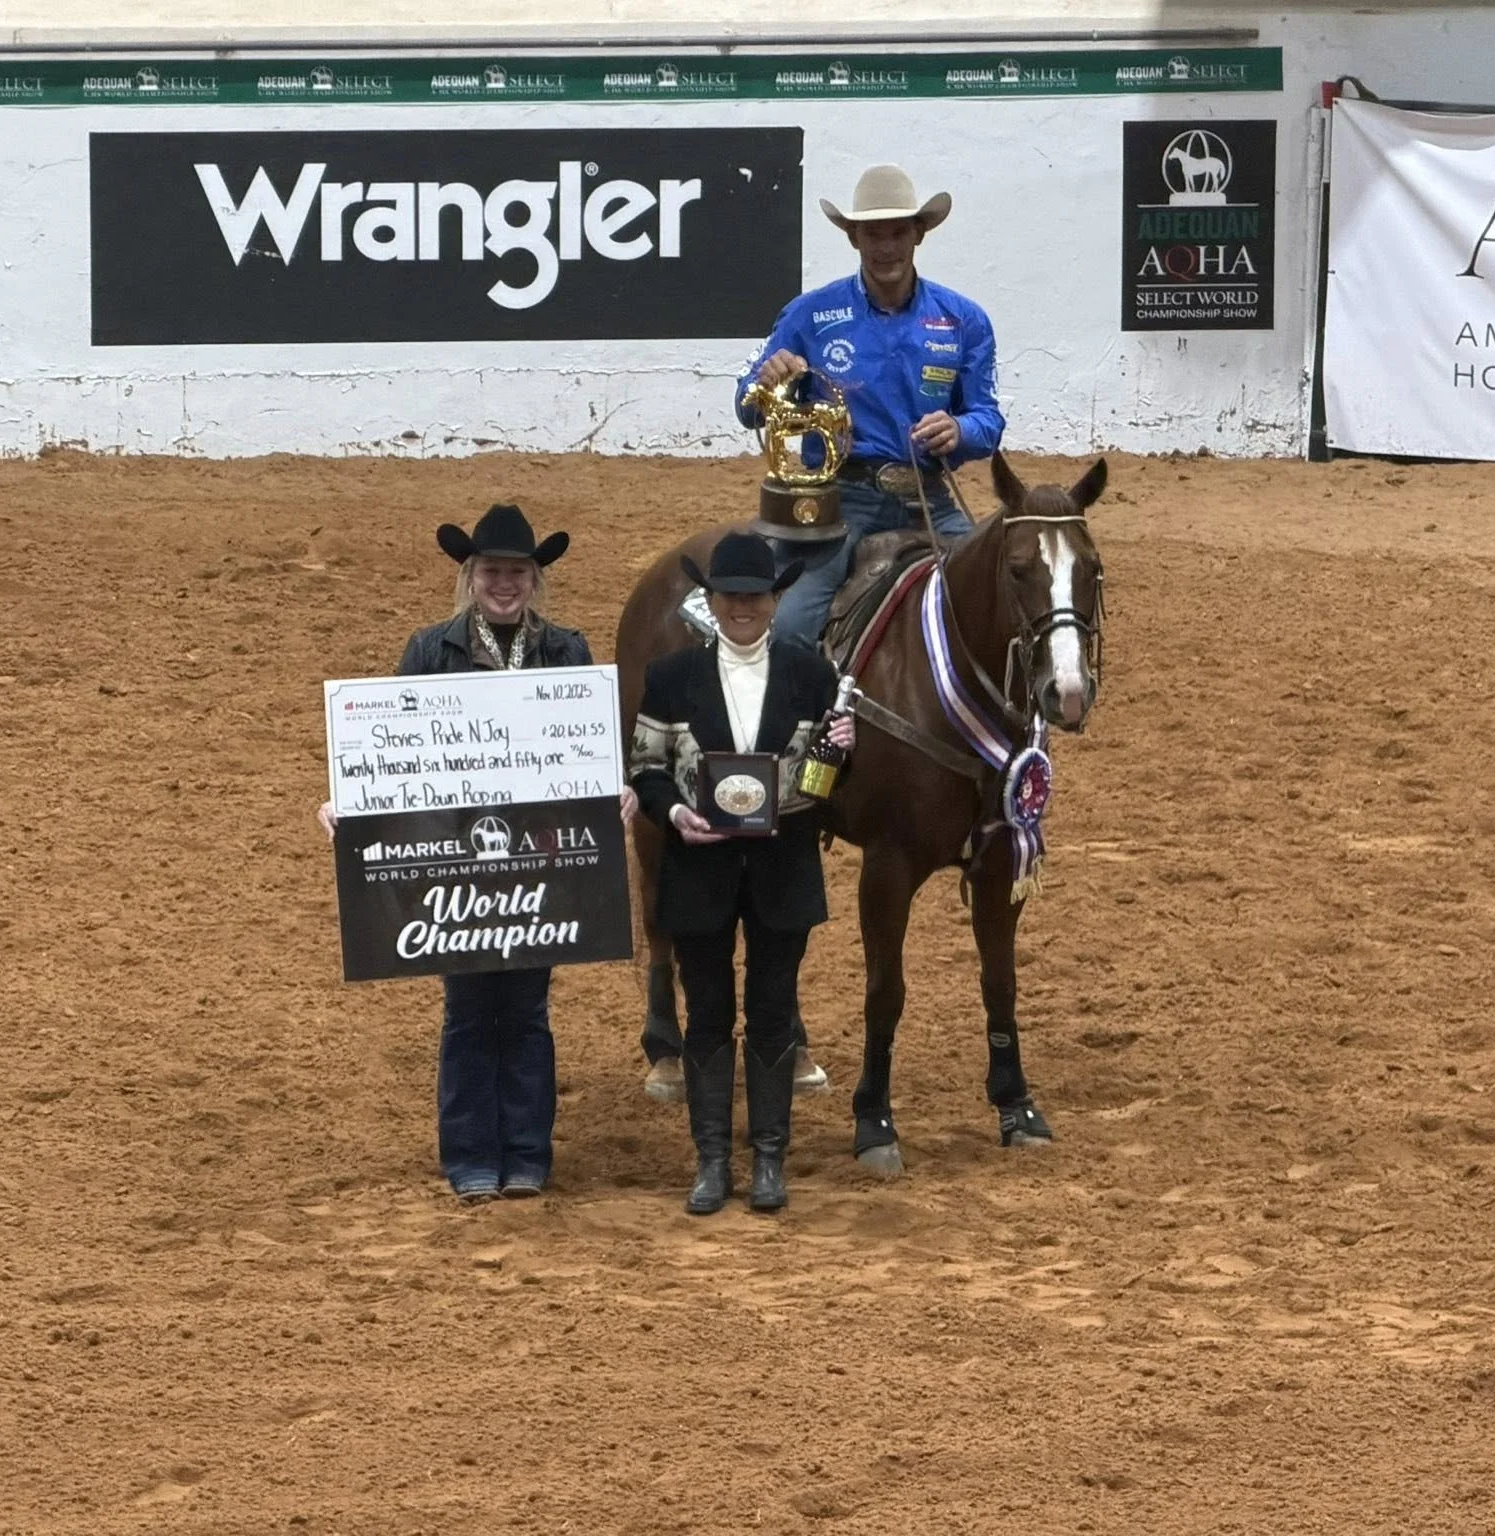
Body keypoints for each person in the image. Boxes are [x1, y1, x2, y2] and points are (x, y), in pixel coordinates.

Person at [316, 503, 636, 1204]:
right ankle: (469, 1155)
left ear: (534, 579)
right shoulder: (428, 651)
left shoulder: (567, 653)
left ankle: (525, 1153)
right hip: (451, 859)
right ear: (471, 577)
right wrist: (350, 806)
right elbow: (390, 755)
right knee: (467, 1009)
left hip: (541, 862)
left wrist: (619, 791)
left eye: (516, 572)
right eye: (492, 571)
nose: (504, 584)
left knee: (525, 1008)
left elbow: (593, 752)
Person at [628, 534, 854, 1214]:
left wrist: (841, 754)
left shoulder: (812, 674)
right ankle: (711, 1160)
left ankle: (769, 1160)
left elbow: (823, 782)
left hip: (782, 862)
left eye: (755, 596)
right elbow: (646, 767)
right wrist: (673, 816)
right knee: (706, 1016)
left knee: (774, 1011)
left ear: (776, 600)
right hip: (700, 864)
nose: (743, 607)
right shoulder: (671, 678)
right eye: (731, 596)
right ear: (712, 601)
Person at [735, 163, 1006, 649]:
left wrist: (960, 431)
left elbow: (987, 418)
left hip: (929, 498)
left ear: (918, 234)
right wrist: (767, 380)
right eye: (872, 234)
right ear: (853, 239)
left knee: (997, 596)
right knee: (793, 624)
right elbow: (747, 405)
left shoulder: (964, 320)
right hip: (840, 500)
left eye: (898, 232)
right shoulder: (810, 315)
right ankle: (796, 722)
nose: (886, 248)